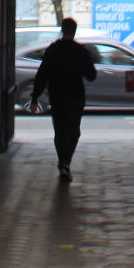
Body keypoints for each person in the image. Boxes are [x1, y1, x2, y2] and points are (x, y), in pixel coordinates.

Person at [30, 17, 97, 182]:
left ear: (62, 30)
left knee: (59, 131)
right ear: (74, 31)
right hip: (75, 96)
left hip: (57, 96)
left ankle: (62, 162)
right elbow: (91, 76)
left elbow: (42, 74)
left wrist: (35, 97)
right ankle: (66, 162)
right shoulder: (80, 51)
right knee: (73, 131)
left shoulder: (53, 50)